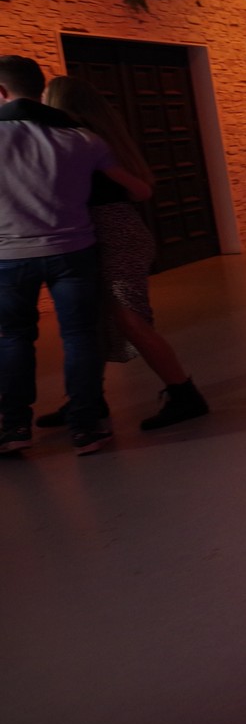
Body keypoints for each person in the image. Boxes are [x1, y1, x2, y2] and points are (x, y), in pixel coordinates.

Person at [0, 55, 152, 457]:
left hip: (9, 256)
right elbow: (135, 187)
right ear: (40, 89)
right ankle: (86, 427)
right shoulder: (84, 139)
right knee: (80, 335)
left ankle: (14, 427)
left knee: (14, 338)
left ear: (1, 91)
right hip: (74, 253)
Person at [40, 76, 209, 431]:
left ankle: (184, 393)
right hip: (113, 232)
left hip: (115, 236)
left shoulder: (79, 140)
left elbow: (140, 189)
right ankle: (88, 397)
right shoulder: (97, 137)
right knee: (95, 320)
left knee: (129, 319)